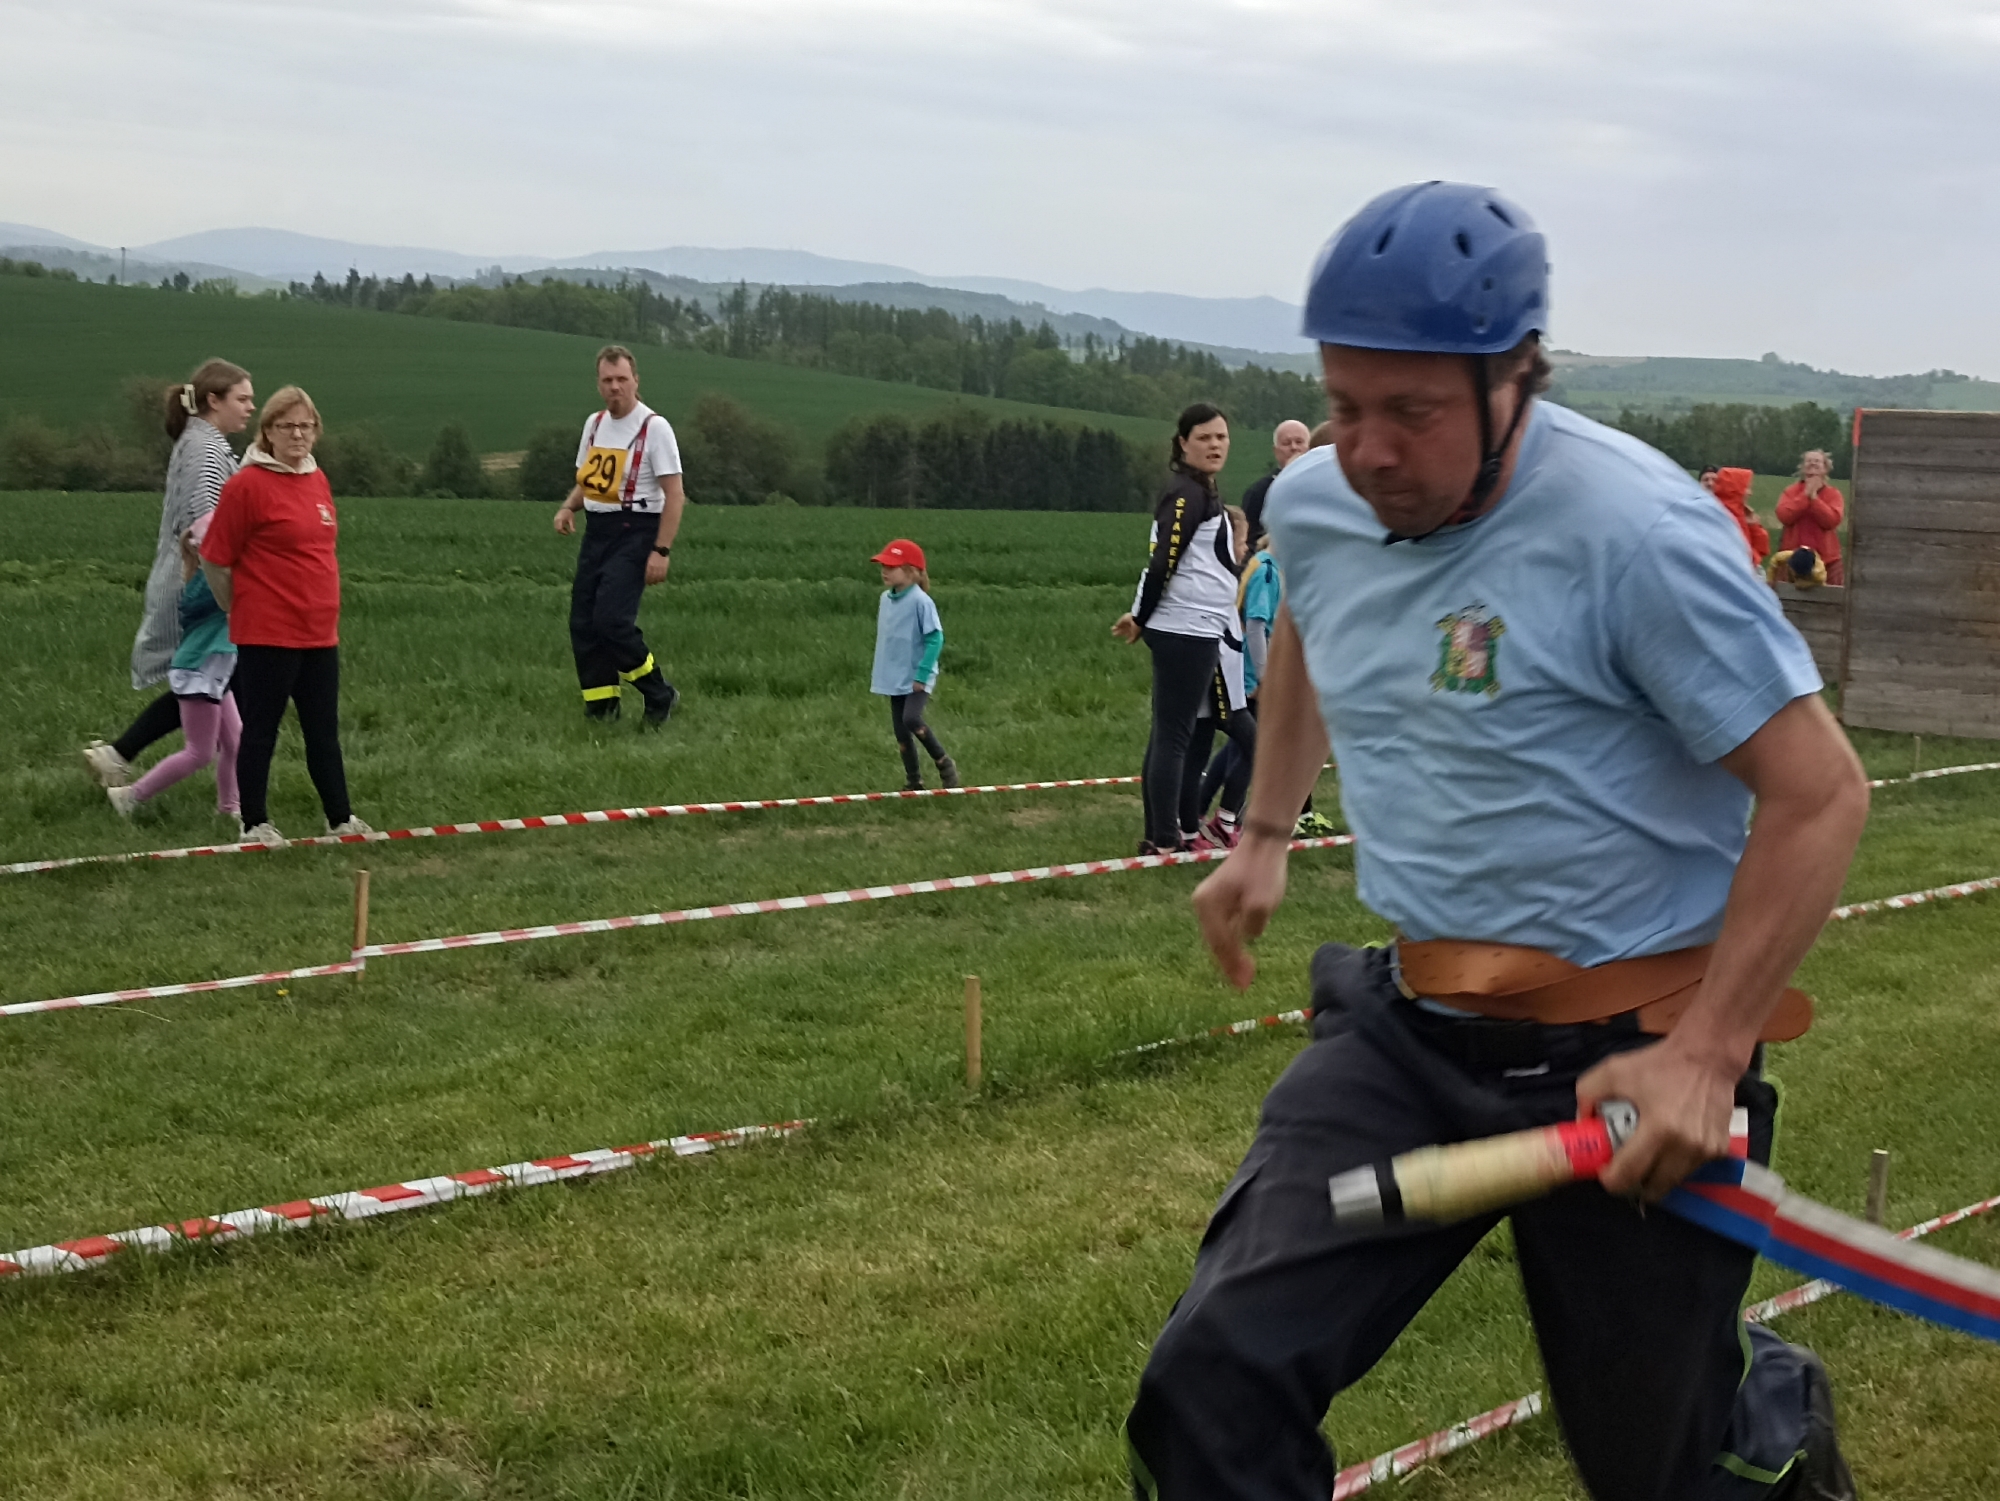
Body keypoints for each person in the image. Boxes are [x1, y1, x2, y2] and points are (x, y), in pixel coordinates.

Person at [1127, 181, 1869, 1501]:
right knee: (1211, 1382)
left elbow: (1819, 794)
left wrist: (1705, 1057)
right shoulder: (1322, 498)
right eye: (1345, 405)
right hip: (1409, 1034)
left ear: (1513, 377)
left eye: (1410, 412)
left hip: (1634, 1051)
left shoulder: (1638, 535)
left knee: (1666, 1465)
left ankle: (1763, 1413)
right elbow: (1312, 625)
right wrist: (1265, 832)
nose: (1368, 451)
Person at [200, 387, 370, 848]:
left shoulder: (317, 479)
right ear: (268, 432)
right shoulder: (247, 485)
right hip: (268, 631)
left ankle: (340, 818)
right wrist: (236, 604)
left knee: (323, 731)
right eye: (286, 426)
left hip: (319, 631)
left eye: (305, 426)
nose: (297, 434)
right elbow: (215, 556)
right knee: (261, 730)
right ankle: (254, 822)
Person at [83, 359, 254, 788]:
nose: (251, 407)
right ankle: (123, 758)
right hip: (199, 585)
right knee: (204, 680)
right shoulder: (205, 450)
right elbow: (205, 527)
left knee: (212, 681)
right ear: (214, 400)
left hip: (194, 581)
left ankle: (226, 789)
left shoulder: (201, 442)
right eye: (243, 399)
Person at [1112, 404, 1247, 855]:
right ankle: (1166, 840)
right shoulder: (1187, 494)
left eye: (1221, 437)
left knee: (1168, 733)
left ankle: (1160, 835)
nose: (1215, 445)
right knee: (1174, 736)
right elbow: (1162, 563)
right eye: (1204, 437)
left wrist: (1141, 614)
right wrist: (1142, 616)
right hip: (1186, 627)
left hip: (1191, 624)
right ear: (1183, 443)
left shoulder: (1200, 490)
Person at [552, 345, 684, 727]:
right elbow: (590, 482)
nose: (615, 387)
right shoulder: (594, 425)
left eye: (622, 379)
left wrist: (661, 550)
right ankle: (601, 706)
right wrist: (568, 507)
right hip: (598, 530)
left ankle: (659, 694)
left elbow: (675, 495)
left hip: (636, 531)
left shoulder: (654, 428)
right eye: (607, 380)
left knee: (611, 621)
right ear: (598, 384)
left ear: (636, 381)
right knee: (583, 623)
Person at [107, 513, 240, 820]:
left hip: (214, 672)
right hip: (198, 673)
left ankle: (229, 807)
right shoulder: (211, 584)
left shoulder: (206, 578)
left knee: (235, 742)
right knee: (199, 752)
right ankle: (131, 796)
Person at [869, 538, 959, 791]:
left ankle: (943, 762)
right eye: (883, 566)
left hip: (917, 676)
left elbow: (935, 639)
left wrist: (922, 673)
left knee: (911, 719)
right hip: (894, 676)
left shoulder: (921, 601)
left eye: (891, 567)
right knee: (900, 731)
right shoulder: (885, 599)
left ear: (911, 571)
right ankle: (914, 782)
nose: (884, 571)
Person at [1776, 450, 1844, 584]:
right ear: (1802, 467)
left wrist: (1814, 499)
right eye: (1808, 461)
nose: (1812, 463)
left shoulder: (1833, 494)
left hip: (1827, 561)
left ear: (1825, 469)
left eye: (1817, 461)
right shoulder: (1790, 492)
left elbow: (1831, 521)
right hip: (1791, 559)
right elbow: (1784, 516)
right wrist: (1804, 496)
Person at [1239, 419, 1312, 542]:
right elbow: (1250, 539)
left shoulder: (1321, 487)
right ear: (1276, 451)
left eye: (1299, 442)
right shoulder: (1259, 492)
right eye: (1286, 443)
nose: (1294, 447)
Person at [1710, 465, 1771, 567]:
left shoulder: (1739, 514)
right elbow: (1745, 558)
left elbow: (1761, 549)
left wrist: (1753, 526)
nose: (1750, 493)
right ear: (1735, 490)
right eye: (1747, 488)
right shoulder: (1726, 519)